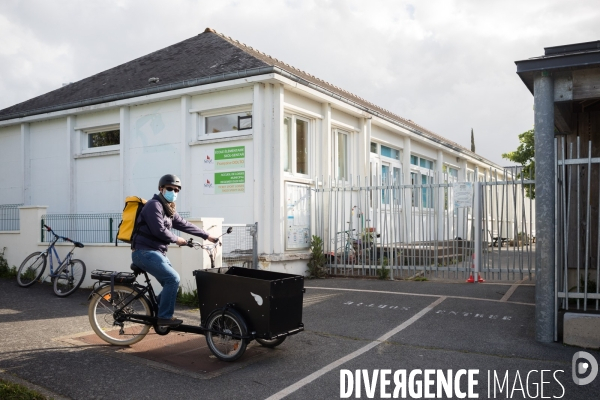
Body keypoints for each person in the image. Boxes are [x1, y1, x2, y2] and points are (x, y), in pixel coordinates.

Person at [131, 174, 218, 326]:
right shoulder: (154, 205)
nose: (174, 192)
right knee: (173, 279)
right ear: (161, 189)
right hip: (143, 252)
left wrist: (207, 235)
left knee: (170, 284)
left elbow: (185, 224)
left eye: (177, 190)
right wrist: (178, 239)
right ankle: (164, 317)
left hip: (156, 253)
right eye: (170, 189)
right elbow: (159, 231)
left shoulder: (168, 209)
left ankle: (156, 310)